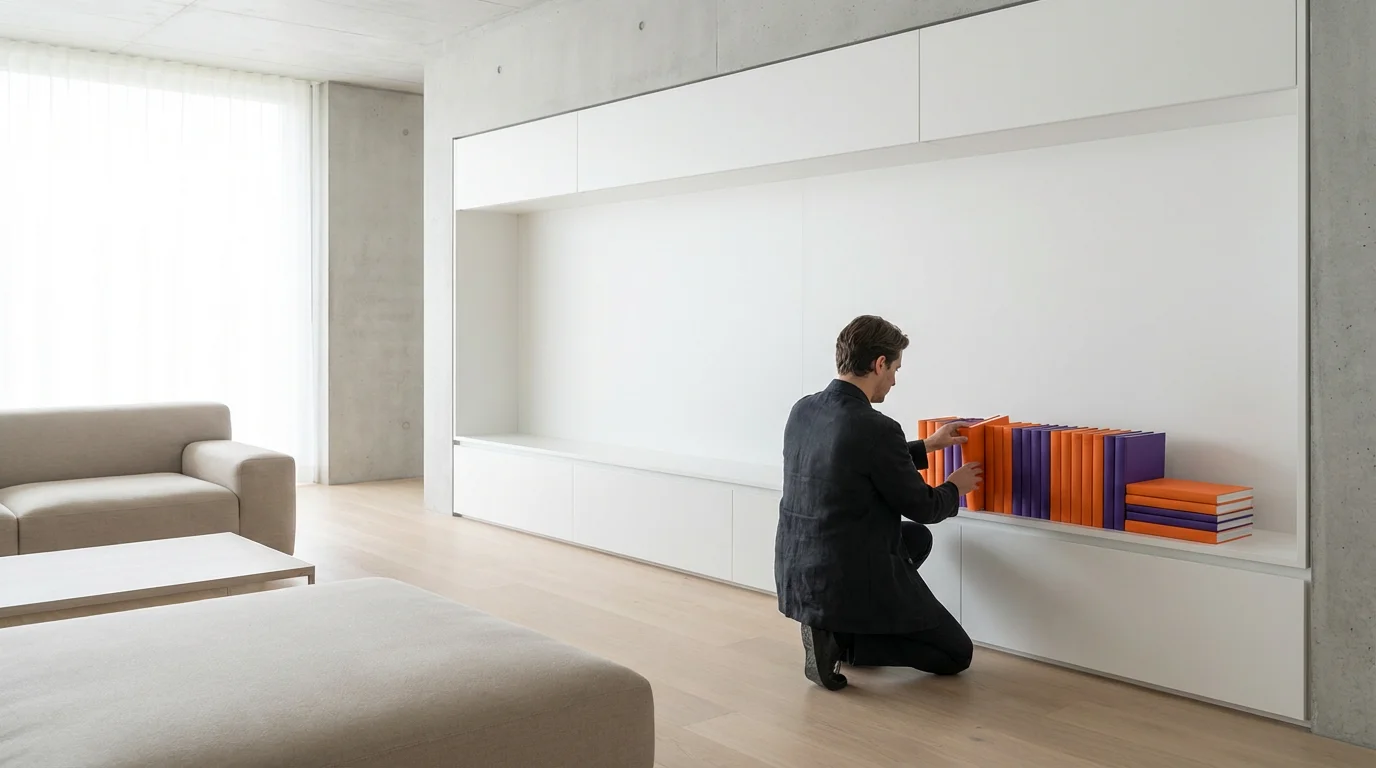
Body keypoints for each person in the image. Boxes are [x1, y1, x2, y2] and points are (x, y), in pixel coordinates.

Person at [774, 314, 982, 690]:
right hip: (845, 567)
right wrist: (955, 486)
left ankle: (834, 628)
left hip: (801, 566)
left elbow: (851, 457)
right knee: (956, 654)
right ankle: (849, 642)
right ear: (879, 363)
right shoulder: (877, 427)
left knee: (915, 539)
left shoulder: (803, 409)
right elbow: (925, 507)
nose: (895, 380)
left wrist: (929, 446)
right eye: (895, 368)